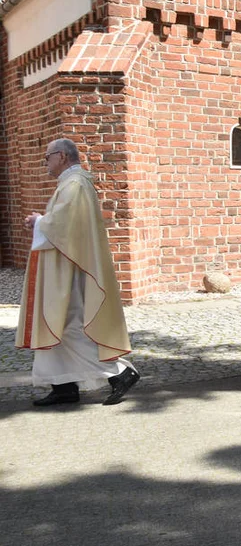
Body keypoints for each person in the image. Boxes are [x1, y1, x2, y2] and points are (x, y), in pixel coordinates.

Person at [16, 138, 140, 407]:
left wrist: (40, 222)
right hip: (62, 265)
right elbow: (64, 223)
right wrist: (43, 223)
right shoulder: (71, 183)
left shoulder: (75, 184)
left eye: (47, 156)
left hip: (69, 269)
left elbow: (66, 225)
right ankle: (63, 385)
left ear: (61, 156)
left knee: (67, 326)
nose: (45, 162)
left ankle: (119, 372)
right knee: (56, 324)